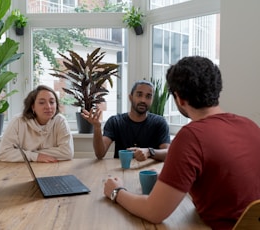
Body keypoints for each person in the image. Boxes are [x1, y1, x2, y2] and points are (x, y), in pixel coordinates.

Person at [103, 56, 260, 230]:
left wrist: (116, 191)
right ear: (217, 89)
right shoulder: (250, 125)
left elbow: (153, 212)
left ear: (179, 99)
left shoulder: (191, 136)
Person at [82, 80, 170, 162]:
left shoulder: (159, 122)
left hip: (148, 173)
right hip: (120, 172)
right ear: (130, 97)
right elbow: (100, 154)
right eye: (139, 95)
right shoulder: (115, 121)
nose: (143, 100)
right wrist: (97, 128)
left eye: (148, 96)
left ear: (152, 100)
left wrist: (149, 152)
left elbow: (168, 154)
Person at [0, 85, 74, 162]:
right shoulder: (18, 121)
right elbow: (3, 153)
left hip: (52, 167)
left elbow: (67, 152)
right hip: (22, 169)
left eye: (52, 102)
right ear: (32, 107)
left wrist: (27, 153)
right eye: (41, 103)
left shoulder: (60, 121)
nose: (48, 106)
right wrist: (35, 156)